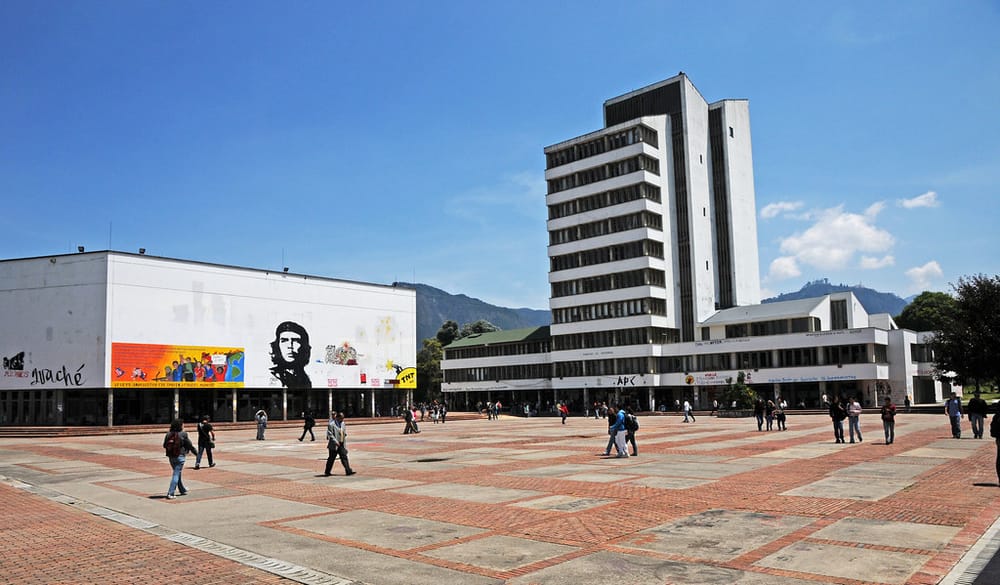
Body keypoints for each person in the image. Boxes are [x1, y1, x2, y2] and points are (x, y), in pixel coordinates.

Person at [269, 321, 312, 388]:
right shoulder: (271, 376)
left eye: (295, 341)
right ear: (277, 345)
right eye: (284, 341)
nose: (290, 346)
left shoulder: (305, 377)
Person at [162, 418, 196, 499]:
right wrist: (196, 453)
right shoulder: (183, 434)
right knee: (176, 474)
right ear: (180, 425)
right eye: (182, 424)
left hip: (171, 457)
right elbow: (189, 445)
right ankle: (171, 492)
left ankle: (182, 489)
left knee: (177, 473)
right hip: (180, 456)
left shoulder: (168, 434)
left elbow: (164, 445)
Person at [324, 412, 355, 476]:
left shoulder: (343, 423)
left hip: (341, 444)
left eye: (343, 418)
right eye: (341, 418)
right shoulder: (331, 424)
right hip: (334, 445)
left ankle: (348, 470)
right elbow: (330, 434)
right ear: (337, 418)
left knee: (344, 457)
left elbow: (343, 432)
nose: (342, 420)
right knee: (331, 459)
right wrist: (336, 442)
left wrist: (344, 435)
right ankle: (327, 471)